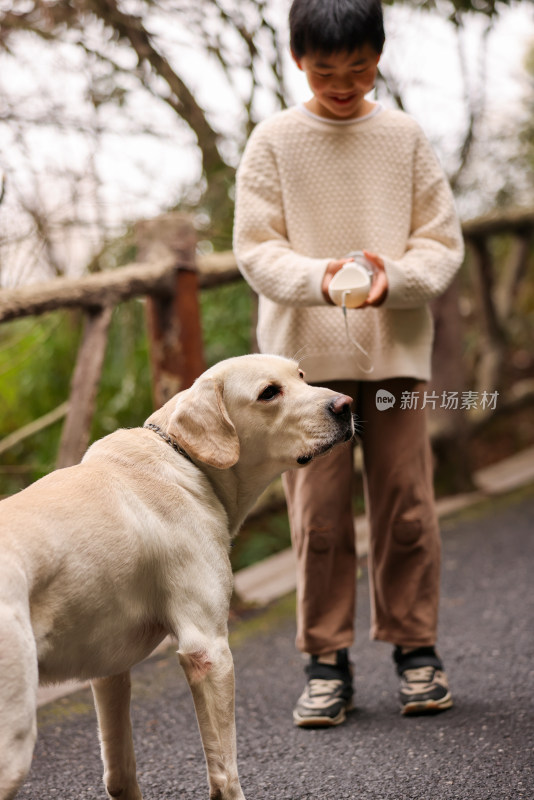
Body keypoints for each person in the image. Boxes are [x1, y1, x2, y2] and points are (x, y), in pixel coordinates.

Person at [233, 0, 464, 727]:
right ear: (298, 59)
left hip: (394, 357)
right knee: (320, 517)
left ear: (378, 56)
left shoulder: (403, 137)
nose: (343, 81)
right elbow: (257, 249)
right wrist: (323, 279)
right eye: (326, 68)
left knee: (406, 504)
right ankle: (324, 660)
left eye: (358, 66)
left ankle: (416, 650)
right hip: (302, 376)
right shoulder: (273, 141)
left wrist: (392, 278)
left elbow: (442, 244)